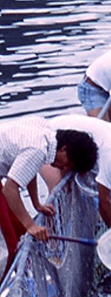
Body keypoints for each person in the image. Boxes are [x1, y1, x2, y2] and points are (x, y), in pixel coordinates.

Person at [0, 117, 98, 275]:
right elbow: (10, 189)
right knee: (9, 244)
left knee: (18, 231)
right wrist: (31, 225)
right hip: (4, 186)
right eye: (68, 163)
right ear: (63, 149)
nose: (64, 168)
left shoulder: (44, 131)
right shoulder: (38, 149)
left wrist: (36, 204)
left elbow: (27, 169)